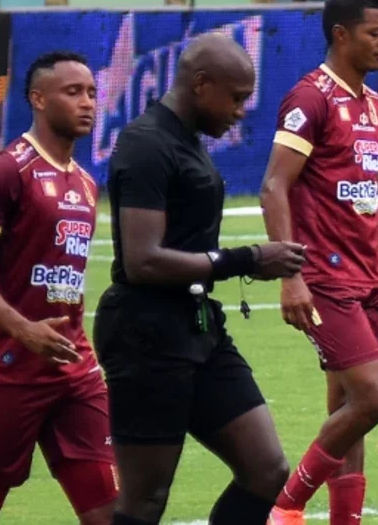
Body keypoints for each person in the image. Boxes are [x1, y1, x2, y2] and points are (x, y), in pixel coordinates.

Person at [92, 32, 307, 525]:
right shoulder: (146, 144)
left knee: (267, 469)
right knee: (145, 500)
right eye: (235, 99)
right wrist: (247, 259)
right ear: (200, 83)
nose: (239, 112)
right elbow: (143, 261)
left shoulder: (183, 141)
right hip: (146, 333)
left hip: (197, 325)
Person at [0, 51, 116, 525]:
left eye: (92, 93)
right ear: (38, 99)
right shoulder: (7, 171)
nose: (87, 104)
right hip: (5, 370)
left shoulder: (85, 183)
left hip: (72, 370)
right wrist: (23, 329)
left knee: (109, 513)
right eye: (72, 92)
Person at [260, 0, 378, 525]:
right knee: (374, 399)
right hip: (324, 277)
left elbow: (373, 202)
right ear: (341, 35)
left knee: (350, 412)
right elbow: (274, 187)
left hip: (365, 280)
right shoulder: (310, 98)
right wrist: (290, 277)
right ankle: (287, 506)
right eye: (376, 32)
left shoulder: (372, 106)